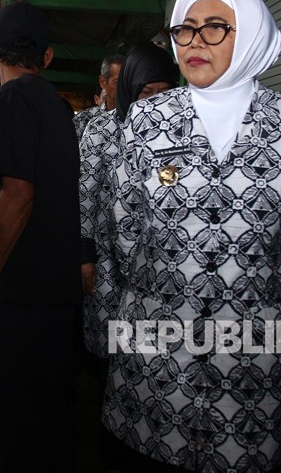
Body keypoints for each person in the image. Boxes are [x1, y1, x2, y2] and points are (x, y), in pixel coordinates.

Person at [105, 0, 281, 471]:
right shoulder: (145, 123)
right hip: (159, 354)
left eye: (214, 28)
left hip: (254, 357)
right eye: (184, 29)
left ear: (248, 35)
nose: (193, 42)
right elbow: (122, 231)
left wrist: (250, 291)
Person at [0, 1, 82, 472]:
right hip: (58, 287)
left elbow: (19, 193)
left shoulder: (15, 99)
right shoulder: (56, 105)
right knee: (51, 416)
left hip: (29, 287)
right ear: (48, 57)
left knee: (23, 423)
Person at [79, 42, 176, 471]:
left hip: (157, 272)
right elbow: (84, 193)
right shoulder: (102, 130)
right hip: (105, 261)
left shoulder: (180, 130)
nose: (155, 101)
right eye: (145, 92)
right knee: (107, 354)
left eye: (164, 91)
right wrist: (84, 254)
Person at [74, 53, 125, 140]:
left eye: (128, 82)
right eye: (117, 82)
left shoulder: (138, 117)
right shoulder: (83, 120)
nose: (124, 87)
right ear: (103, 82)